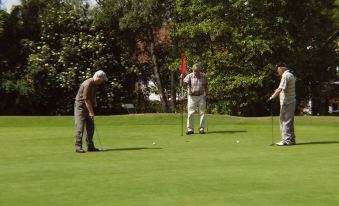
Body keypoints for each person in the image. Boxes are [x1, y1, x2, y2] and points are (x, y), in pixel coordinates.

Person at [74, 70, 108, 153]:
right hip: (80, 107)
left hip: (88, 105)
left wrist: (95, 103)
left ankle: (90, 146)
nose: (103, 81)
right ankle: (78, 147)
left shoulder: (95, 84)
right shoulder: (88, 84)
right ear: (98, 78)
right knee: (80, 126)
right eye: (102, 79)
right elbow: (86, 99)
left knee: (90, 127)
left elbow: (92, 96)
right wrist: (91, 112)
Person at [268, 63, 296, 146]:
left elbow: (280, 88)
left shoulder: (285, 75)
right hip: (291, 101)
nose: (278, 72)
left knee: (284, 121)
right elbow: (282, 88)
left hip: (287, 102)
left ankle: (286, 140)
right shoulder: (290, 74)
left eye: (278, 70)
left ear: (281, 68)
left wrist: (271, 97)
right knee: (289, 121)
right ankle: (291, 139)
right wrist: (277, 91)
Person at [180, 63, 208, 135]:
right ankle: (190, 129)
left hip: (201, 96)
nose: (196, 72)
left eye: (197, 71)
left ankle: (202, 128)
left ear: (200, 70)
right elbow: (182, 85)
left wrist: (207, 95)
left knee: (202, 113)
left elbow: (206, 86)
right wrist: (182, 78)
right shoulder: (189, 76)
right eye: (195, 71)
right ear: (193, 70)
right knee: (190, 113)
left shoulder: (203, 76)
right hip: (192, 97)